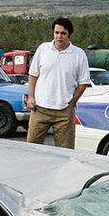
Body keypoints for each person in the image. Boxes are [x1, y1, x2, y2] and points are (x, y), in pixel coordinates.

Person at [26, 17, 91, 149]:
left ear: (70, 34)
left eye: (63, 33)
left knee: (65, 152)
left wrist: (72, 103)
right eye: (56, 32)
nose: (59, 36)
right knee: (31, 148)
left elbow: (83, 83)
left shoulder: (79, 54)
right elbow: (33, 74)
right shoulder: (43, 49)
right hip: (40, 109)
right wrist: (31, 97)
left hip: (64, 111)